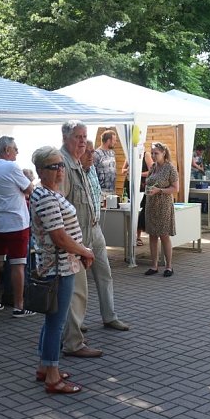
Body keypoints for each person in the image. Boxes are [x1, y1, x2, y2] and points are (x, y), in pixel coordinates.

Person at [29, 147, 96, 393]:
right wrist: (85, 251)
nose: (60, 170)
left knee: (52, 320)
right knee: (57, 322)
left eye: (61, 165)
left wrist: (80, 251)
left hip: (61, 264)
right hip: (59, 267)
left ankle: (45, 367)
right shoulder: (45, 197)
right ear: (40, 170)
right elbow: (59, 236)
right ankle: (53, 377)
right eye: (53, 166)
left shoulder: (46, 193)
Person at [0, 136, 35, 317]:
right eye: (15, 149)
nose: (17, 152)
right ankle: (19, 306)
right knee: (18, 265)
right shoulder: (12, 167)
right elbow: (29, 189)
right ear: (7, 151)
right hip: (16, 222)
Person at [81, 139, 130, 331]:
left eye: (93, 151)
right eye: (89, 152)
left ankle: (110, 316)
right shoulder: (71, 171)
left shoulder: (91, 168)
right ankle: (76, 321)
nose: (93, 155)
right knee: (78, 281)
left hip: (95, 227)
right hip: (79, 230)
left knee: (105, 274)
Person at [144, 141, 179, 277]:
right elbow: (148, 182)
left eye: (156, 153)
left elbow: (176, 189)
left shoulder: (170, 168)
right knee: (152, 235)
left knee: (164, 235)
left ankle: (169, 266)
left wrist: (159, 190)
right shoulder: (153, 167)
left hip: (163, 205)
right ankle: (154, 265)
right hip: (151, 205)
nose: (153, 156)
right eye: (152, 153)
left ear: (164, 153)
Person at [122, 151, 153, 246]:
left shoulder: (146, 154)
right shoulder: (129, 153)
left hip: (142, 186)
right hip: (129, 186)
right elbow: (122, 170)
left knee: (140, 210)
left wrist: (137, 173)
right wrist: (127, 171)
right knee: (129, 209)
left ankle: (138, 236)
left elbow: (152, 171)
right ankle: (130, 236)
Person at [93, 129, 118, 194]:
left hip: (112, 190)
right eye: (114, 140)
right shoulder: (96, 154)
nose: (115, 142)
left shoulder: (112, 153)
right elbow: (93, 172)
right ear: (108, 141)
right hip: (101, 191)